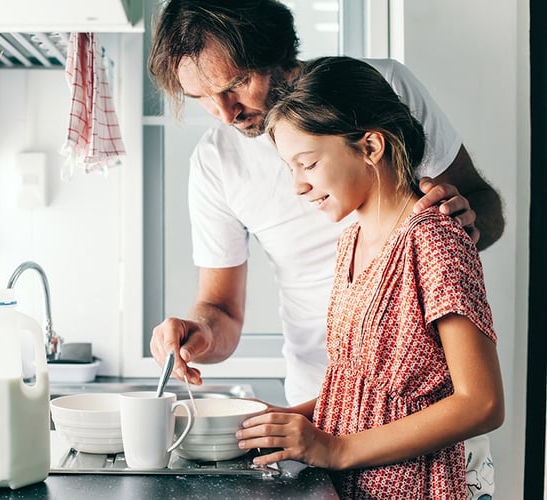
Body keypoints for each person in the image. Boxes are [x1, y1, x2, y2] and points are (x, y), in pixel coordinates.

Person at [147, 0, 503, 497]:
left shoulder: (382, 92)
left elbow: (480, 400)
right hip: (327, 412)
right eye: (201, 98)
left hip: (419, 445)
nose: (224, 113)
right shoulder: (345, 236)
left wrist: (458, 231)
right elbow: (223, 311)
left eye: (233, 85)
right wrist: (205, 339)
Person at [233, 55, 504, 498]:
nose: (297, 186)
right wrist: (284, 420)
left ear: (371, 147)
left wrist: (336, 450)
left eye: (308, 163)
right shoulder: (350, 242)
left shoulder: (435, 240)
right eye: (290, 169)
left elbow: (483, 403)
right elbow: (359, 388)